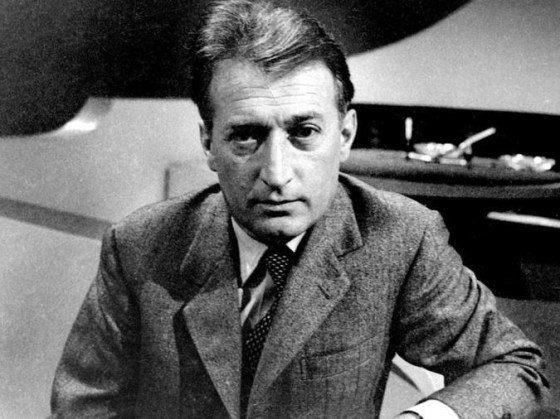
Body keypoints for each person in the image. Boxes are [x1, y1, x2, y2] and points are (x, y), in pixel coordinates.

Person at [50, 0, 549, 417]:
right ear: (207, 143)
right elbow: (85, 406)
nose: (277, 172)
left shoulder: (401, 239)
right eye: (246, 136)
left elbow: (513, 365)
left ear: (344, 135)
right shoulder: (139, 245)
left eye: (304, 132)